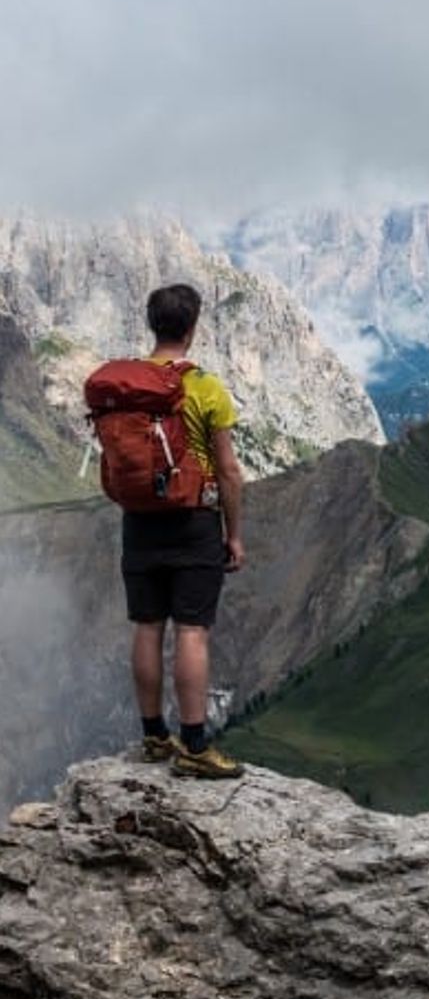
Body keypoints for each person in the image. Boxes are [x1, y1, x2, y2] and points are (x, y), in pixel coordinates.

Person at [120, 283, 246, 779]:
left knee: (147, 626)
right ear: (192, 327)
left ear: (153, 324)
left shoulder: (125, 385)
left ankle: (153, 737)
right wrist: (233, 535)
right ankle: (194, 745)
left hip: (139, 522)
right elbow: (229, 470)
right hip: (194, 520)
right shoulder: (206, 387)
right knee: (192, 630)